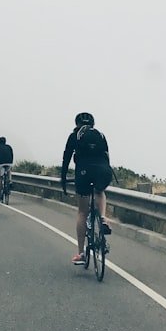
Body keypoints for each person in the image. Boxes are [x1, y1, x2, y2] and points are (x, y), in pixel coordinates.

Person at [60, 112, 113, 265]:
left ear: (76, 123)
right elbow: (107, 156)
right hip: (103, 170)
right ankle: (103, 217)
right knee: (100, 192)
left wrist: (63, 179)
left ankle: (81, 253)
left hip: (83, 172)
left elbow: (67, 157)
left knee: (82, 212)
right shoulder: (100, 135)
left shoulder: (75, 135)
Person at [0, 136, 14, 201]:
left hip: (1, 163)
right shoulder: (9, 147)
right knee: (9, 170)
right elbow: (12, 155)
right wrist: (11, 162)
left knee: (0, 178)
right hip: (9, 162)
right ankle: (10, 181)